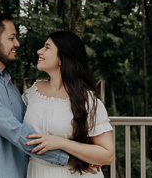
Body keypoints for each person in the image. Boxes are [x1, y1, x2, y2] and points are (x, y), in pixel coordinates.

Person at [0, 12, 70, 178]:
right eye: (12, 38)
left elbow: (33, 125)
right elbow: (18, 133)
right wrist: (70, 158)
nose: (17, 43)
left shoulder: (9, 86)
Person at [23, 31, 115, 177]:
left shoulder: (86, 100)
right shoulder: (33, 93)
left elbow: (107, 155)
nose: (39, 51)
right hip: (38, 171)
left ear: (62, 58)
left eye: (47, 47)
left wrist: (61, 142)